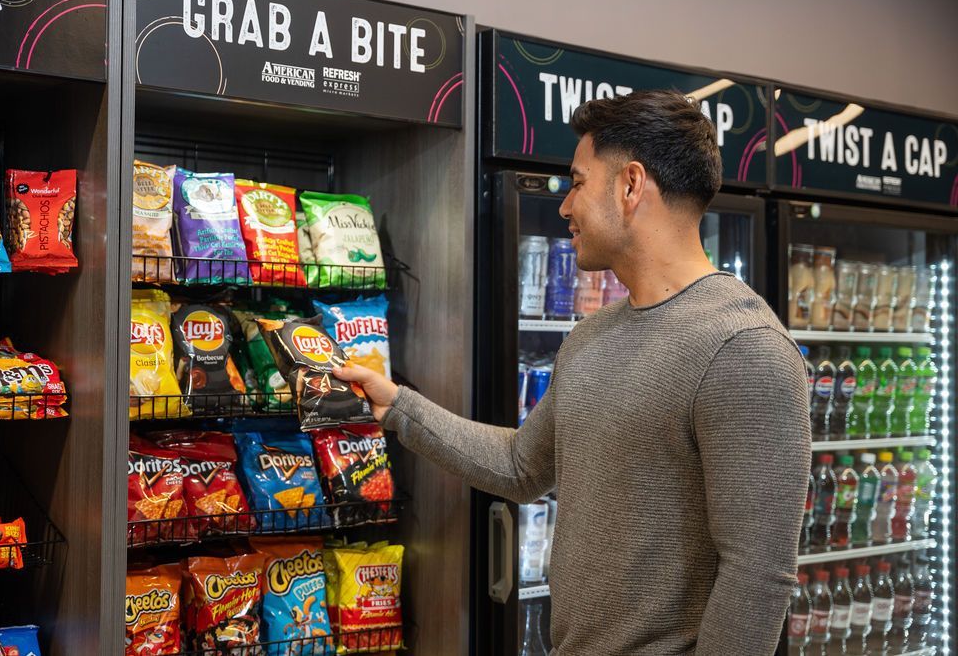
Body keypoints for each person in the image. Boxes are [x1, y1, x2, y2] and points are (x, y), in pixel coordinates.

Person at [334, 90, 811, 655]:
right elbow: (521, 466)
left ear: (631, 186)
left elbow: (758, 576)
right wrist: (397, 406)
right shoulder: (590, 337)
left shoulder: (745, 349)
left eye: (578, 183)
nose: (565, 206)